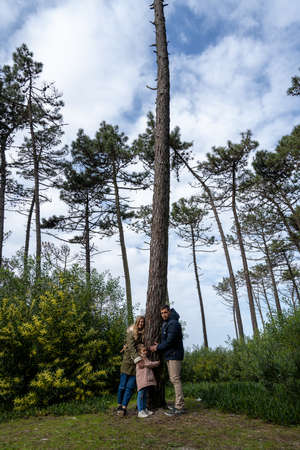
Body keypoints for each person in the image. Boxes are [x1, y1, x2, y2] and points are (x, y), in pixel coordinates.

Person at [150, 305, 185, 415]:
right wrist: (160, 345)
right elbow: (167, 340)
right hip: (170, 355)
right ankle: (178, 405)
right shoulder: (168, 323)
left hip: (174, 355)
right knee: (173, 379)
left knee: (175, 379)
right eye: (162, 313)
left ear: (169, 312)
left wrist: (157, 347)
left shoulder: (173, 323)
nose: (163, 315)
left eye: (165, 312)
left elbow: (170, 342)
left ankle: (179, 407)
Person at [117, 315, 145, 417]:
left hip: (135, 366)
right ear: (136, 322)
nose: (141, 324)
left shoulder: (143, 334)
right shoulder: (131, 332)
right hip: (127, 363)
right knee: (122, 386)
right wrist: (137, 358)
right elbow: (132, 347)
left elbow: (142, 346)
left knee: (130, 387)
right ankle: (119, 405)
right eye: (140, 322)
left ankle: (124, 407)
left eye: (143, 322)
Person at [135, 344, 160, 418]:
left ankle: (144, 409)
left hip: (146, 380)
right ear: (139, 352)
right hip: (141, 380)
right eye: (143, 351)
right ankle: (140, 411)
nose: (145, 352)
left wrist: (155, 363)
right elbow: (148, 364)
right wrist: (156, 363)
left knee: (145, 395)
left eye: (146, 350)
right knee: (141, 395)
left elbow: (149, 364)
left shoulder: (146, 358)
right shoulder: (139, 359)